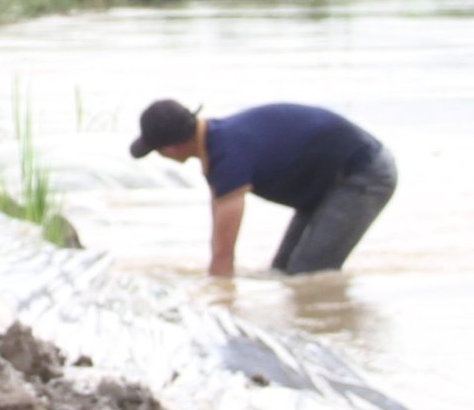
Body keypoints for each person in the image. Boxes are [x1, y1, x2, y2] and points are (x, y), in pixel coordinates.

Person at [129, 96, 397, 277]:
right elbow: (219, 242)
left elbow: (223, 255)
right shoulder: (216, 143)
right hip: (325, 185)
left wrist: (219, 306)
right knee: (281, 272)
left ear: (171, 148)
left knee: (307, 274)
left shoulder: (227, 156)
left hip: (363, 172)